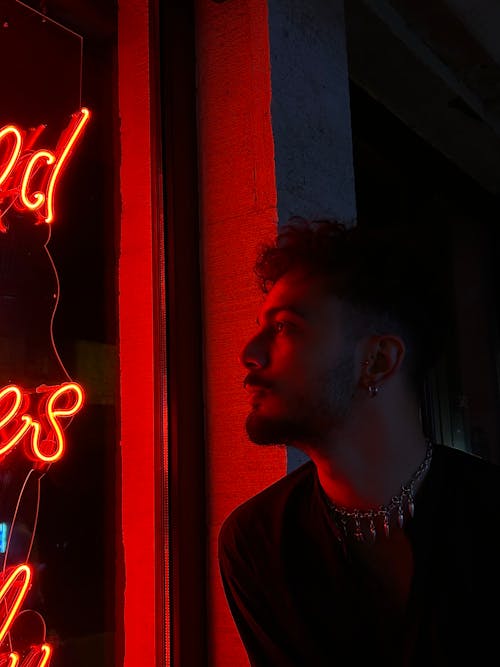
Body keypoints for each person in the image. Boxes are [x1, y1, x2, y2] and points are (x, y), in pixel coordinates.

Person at [218, 218, 500, 666]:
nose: (249, 352)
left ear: (378, 360)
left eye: (285, 327)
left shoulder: (492, 516)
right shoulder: (256, 542)